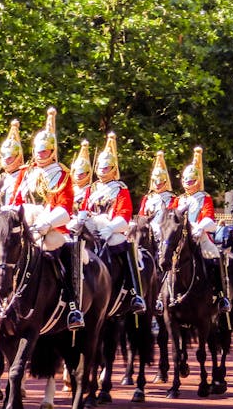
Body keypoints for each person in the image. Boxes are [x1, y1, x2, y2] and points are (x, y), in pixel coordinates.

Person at [7, 107, 84, 330]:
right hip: (25, 227)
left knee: (65, 252)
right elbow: (15, 200)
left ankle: (72, 305)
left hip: (51, 228)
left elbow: (65, 208)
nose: (40, 154)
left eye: (44, 151)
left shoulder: (62, 174)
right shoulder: (25, 172)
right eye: (37, 151)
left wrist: (46, 223)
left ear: (52, 151)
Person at [78, 132, 146, 314]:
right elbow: (84, 208)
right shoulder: (91, 188)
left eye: (106, 168)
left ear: (113, 168)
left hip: (111, 227)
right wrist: (78, 221)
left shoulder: (120, 188)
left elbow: (124, 214)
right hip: (91, 227)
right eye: (100, 167)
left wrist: (110, 227)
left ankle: (134, 292)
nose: (102, 170)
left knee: (124, 245)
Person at [169, 147, 231, 312]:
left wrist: (198, 228)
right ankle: (162, 296)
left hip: (199, 237)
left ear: (196, 180)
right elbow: (171, 219)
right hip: (180, 239)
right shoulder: (178, 200)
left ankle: (220, 295)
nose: (188, 184)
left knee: (214, 255)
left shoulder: (204, 198)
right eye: (186, 181)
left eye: (191, 181)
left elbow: (209, 218)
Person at [138, 151, 175, 241]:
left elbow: (171, 219)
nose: (158, 184)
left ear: (165, 182)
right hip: (147, 232)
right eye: (155, 182)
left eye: (160, 182)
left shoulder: (172, 199)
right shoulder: (147, 198)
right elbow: (141, 216)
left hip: (164, 234)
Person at [0, 119, 27, 206]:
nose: (6, 160)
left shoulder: (24, 176)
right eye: (4, 157)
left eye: (10, 157)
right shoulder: (0, 178)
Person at [70, 140, 93, 214]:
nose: (79, 176)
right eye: (77, 173)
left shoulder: (92, 189)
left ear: (87, 174)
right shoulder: (69, 187)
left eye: (82, 173)